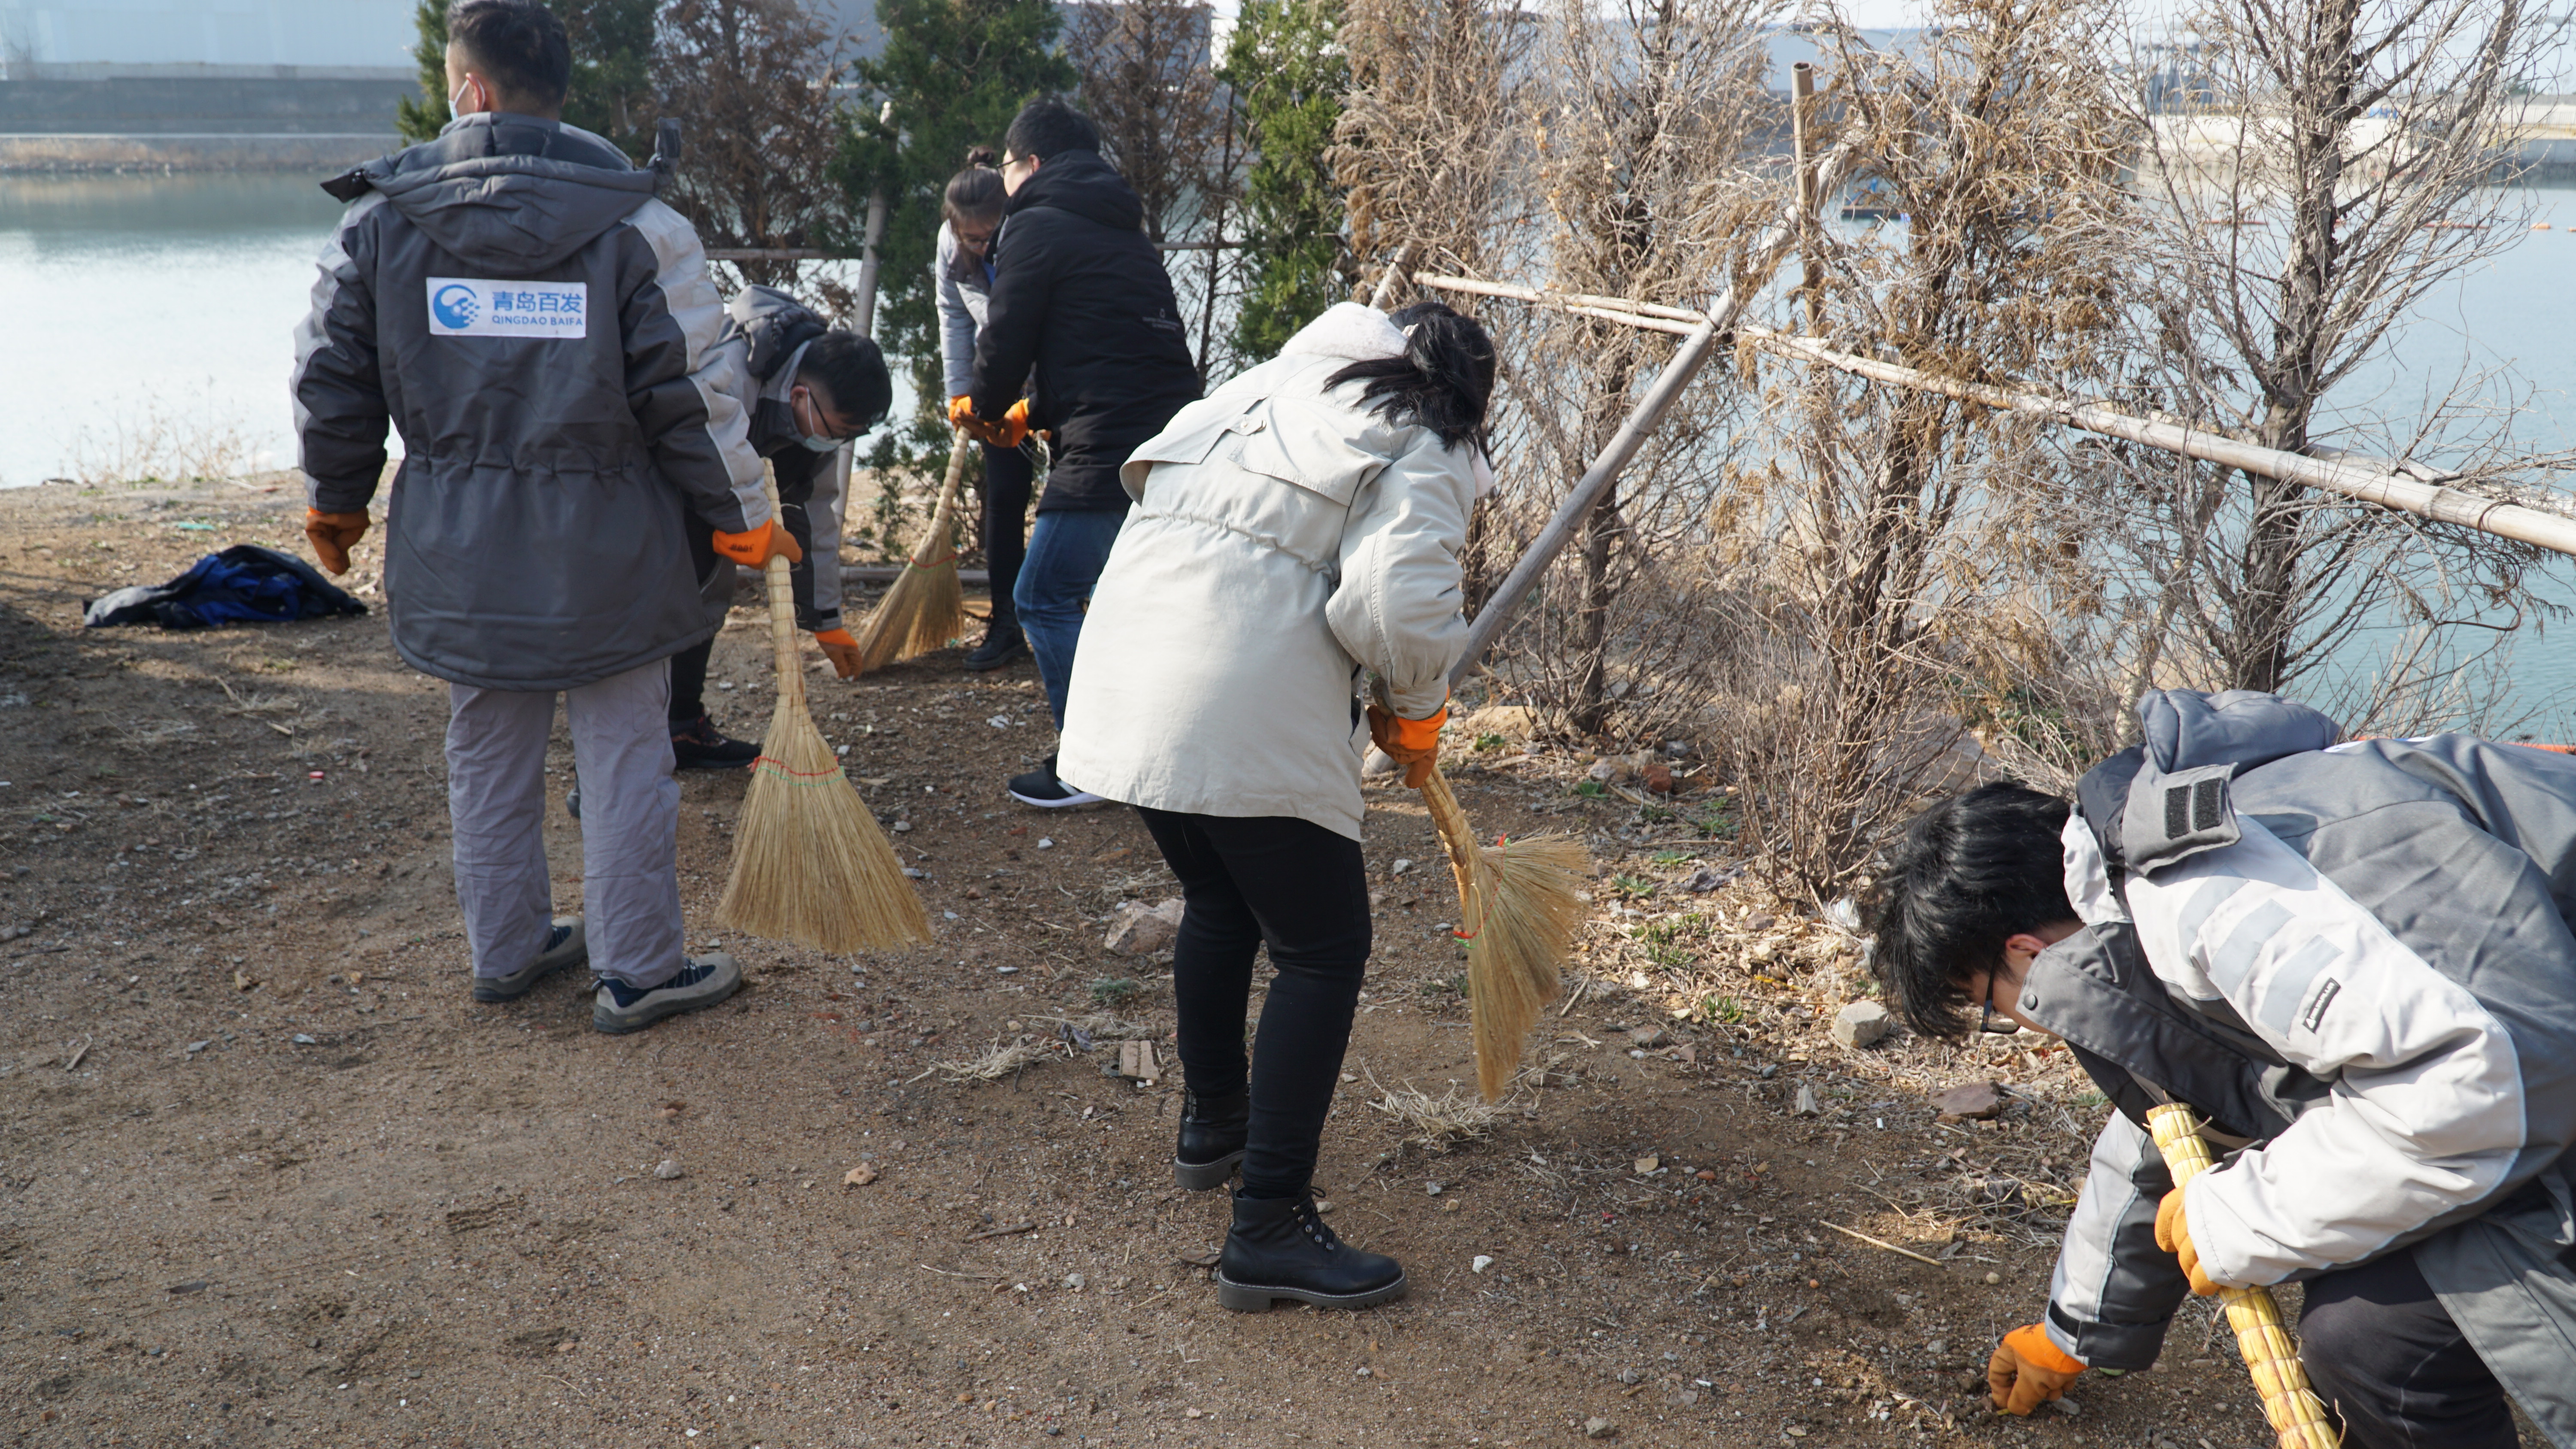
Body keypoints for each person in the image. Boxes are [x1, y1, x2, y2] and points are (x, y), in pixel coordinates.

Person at [1866, 688, 2576, 1448]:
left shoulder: (2215, 898)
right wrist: (2070, 1333)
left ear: (2022, 953)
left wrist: (2239, 1215)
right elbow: (2169, 1122)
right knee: (2367, 1334)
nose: (2017, 1021)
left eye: (1990, 1004)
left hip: (2531, 1077)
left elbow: (2481, 1084)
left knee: (2374, 1345)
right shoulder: (2145, 866)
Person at [292, 0, 798, 1033]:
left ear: (470, 91)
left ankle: (510, 948)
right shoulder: (638, 225)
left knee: (485, 745)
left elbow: (329, 376)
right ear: (557, 95)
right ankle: (640, 969)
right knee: (625, 752)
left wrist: (336, 499)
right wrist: (742, 517)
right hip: (612, 548)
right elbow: (696, 398)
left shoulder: (380, 220)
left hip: (457, 543)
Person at [1054, 300, 1498, 1313]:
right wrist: (1420, 708)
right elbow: (1392, 606)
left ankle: (1215, 1125)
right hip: (1231, 702)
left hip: (1126, 686)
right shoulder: (1420, 436)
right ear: (1468, 397)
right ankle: (1269, 1226)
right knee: (1323, 948)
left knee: (1219, 901)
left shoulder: (1259, 391)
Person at [951, 99, 1202, 808]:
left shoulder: (1034, 223)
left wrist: (987, 404)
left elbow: (1007, 337)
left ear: (1029, 166)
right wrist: (1037, 411)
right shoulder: (1124, 229)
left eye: (1004, 167)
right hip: (1174, 440)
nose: (1002, 181)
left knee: (1043, 595)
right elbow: (1109, 344)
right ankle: (1159, 751)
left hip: (1109, 444)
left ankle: (1088, 765)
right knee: (1137, 605)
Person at [934, 148, 1035, 672]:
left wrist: (1037, 404)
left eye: (986, 237)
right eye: (970, 239)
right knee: (1004, 497)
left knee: (1073, 496)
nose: (980, 246)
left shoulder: (1031, 229)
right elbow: (953, 314)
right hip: (998, 374)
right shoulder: (952, 243)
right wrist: (961, 393)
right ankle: (1006, 623)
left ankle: (1074, 612)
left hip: (1052, 373)